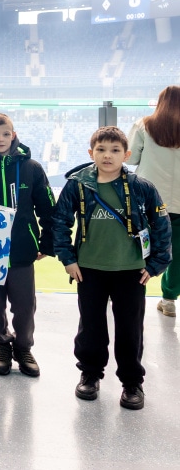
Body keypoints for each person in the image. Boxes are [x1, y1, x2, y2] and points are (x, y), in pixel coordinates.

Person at [53, 126, 172, 410]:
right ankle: (90, 374)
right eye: (101, 150)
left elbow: (161, 227)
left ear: (127, 154)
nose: (108, 156)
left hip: (131, 271)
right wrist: (68, 259)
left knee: (130, 329)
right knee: (91, 327)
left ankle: (132, 383)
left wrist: (155, 264)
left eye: (115, 150)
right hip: (89, 269)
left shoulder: (143, 188)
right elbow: (60, 222)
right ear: (90, 153)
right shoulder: (77, 185)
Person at [0, 113, 57, 377]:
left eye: (5, 134)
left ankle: (23, 347)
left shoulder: (31, 167)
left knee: (25, 306)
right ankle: (2, 344)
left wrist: (47, 242)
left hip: (22, 250)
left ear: (13, 135)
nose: (0, 139)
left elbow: (48, 208)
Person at [127, 85, 180, 318]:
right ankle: (169, 300)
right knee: (176, 253)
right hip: (178, 202)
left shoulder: (144, 125)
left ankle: (128, 293)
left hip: (147, 200)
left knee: (138, 248)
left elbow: (131, 157)